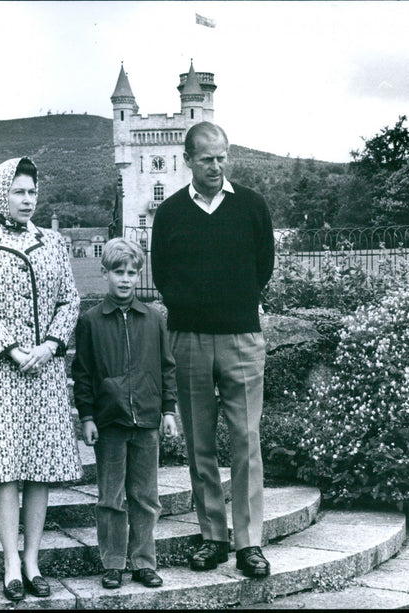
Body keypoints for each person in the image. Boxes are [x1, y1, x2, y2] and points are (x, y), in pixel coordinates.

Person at [151, 122, 275, 578]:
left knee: (245, 441)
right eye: (207, 158)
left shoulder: (252, 207)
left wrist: (233, 305)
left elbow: (264, 266)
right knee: (200, 443)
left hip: (242, 338)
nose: (216, 165)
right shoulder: (169, 215)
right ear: (189, 159)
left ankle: (249, 543)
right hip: (189, 341)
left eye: (222, 156)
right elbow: (162, 275)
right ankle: (212, 538)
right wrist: (193, 310)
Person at [0, 157, 82, 602]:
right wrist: (12, 348)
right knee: (6, 468)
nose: (27, 200)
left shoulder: (52, 242)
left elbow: (70, 300)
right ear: (1, 195)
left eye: (32, 192)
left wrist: (50, 345)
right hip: (0, 369)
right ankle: (11, 561)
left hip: (45, 368)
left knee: (40, 466)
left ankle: (33, 559)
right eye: (18, 192)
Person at [72, 238, 178, 590]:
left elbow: (167, 368)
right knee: (110, 497)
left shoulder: (153, 318)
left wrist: (168, 410)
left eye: (132, 272)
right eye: (118, 272)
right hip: (110, 422)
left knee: (146, 497)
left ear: (139, 275)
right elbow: (82, 373)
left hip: (147, 419)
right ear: (105, 274)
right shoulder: (90, 321)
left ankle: (144, 562)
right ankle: (113, 562)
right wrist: (86, 416)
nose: (126, 279)